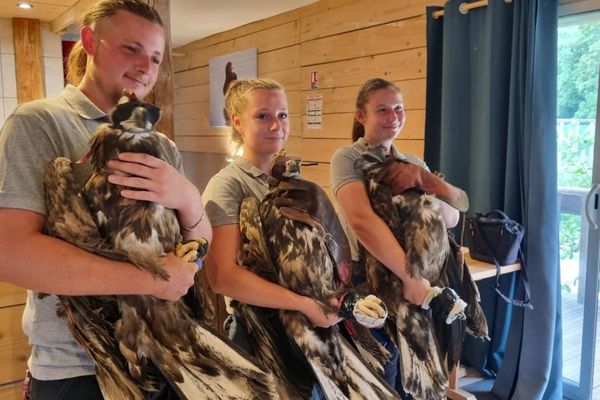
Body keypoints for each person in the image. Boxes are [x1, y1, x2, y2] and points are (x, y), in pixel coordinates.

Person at [0, 1, 211, 399]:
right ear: (89, 42)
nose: (145, 67)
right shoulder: (39, 123)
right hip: (80, 366)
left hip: (167, 354)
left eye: (154, 56)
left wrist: (187, 197)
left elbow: (201, 244)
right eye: (130, 49)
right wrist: (151, 279)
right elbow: (9, 252)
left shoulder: (162, 145)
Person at [202, 78, 340, 399]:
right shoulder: (228, 186)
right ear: (237, 121)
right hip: (259, 333)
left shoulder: (295, 182)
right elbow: (222, 277)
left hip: (307, 329)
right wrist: (303, 304)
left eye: (283, 115)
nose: (276, 124)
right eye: (262, 116)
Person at [330, 77, 460, 394]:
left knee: (416, 374)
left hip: (417, 284)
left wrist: (422, 186)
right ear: (361, 116)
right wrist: (410, 276)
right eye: (383, 110)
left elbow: (453, 216)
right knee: (381, 371)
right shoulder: (347, 159)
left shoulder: (413, 163)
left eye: (399, 108)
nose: (394, 117)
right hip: (369, 280)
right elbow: (362, 221)